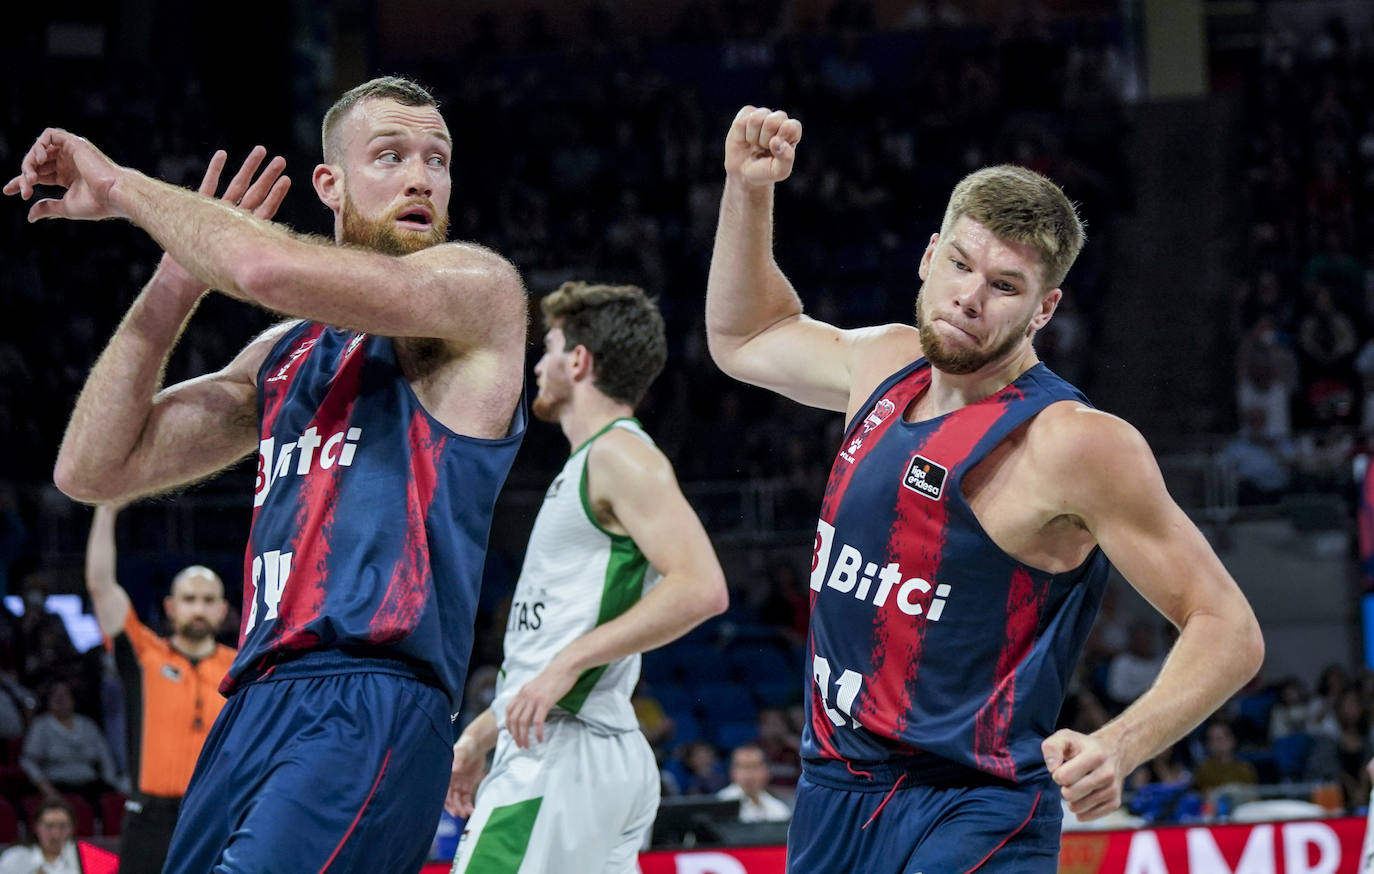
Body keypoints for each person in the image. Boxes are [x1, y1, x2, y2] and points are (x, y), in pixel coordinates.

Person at [704, 105, 1264, 873]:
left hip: (975, 802)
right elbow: (745, 338)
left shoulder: (1073, 441)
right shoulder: (882, 363)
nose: (970, 297)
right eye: (961, 266)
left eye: (1005, 285)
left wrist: (1119, 744)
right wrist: (747, 190)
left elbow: (1227, 627)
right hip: (833, 790)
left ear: (1046, 309)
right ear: (929, 256)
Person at [5, 75, 528, 873]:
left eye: (438, 159)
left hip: (372, 693)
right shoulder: (284, 355)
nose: (422, 176)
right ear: (331, 184)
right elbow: (91, 468)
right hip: (253, 700)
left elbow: (261, 268)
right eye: (390, 155)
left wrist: (121, 188)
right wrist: (177, 275)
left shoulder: (479, 295)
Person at [446, 282, 727, 874]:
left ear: (578, 361)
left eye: (547, 348)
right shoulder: (592, 462)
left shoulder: (618, 455)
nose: (539, 364)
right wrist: (479, 734)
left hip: (562, 758)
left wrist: (567, 665)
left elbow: (701, 586)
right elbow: (549, 648)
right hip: (582, 752)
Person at [84, 505, 235, 874]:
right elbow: (101, 586)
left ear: (222, 610)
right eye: (188, 599)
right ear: (170, 607)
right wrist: (106, 509)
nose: (198, 608)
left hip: (216, 815)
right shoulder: (144, 655)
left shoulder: (241, 669)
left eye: (207, 600)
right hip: (149, 819)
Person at [19, 681, 124, 811]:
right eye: (55, 695)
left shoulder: (88, 725)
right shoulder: (41, 726)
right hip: (57, 784)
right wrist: (47, 789)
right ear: (48, 700)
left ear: (73, 699)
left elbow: (105, 758)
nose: (60, 699)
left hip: (89, 784)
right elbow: (28, 761)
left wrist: (110, 784)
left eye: (65, 695)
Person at [0, 798, 79, 874]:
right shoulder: (15, 858)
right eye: (49, 826)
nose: (56, 834)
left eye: (63, 826)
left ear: (72, 829)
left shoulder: (85, 859)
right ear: (36, 827)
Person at [716, 744, 792, 823]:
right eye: (743, 767)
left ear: (766, 771)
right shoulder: (720, 803)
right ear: (732, 772)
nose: (748, 775)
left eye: (754, 767)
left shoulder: (779, 809)